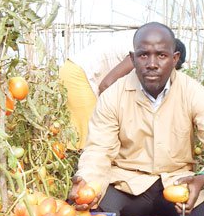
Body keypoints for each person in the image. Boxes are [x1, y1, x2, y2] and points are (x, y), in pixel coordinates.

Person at [68, 22, 204, 216]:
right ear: (133, 58)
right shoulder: (114, 96)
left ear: (175, 58)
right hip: (128, 185)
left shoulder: (194, 93)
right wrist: (88, 182)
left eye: (161, 55)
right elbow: (98, 150)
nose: (152, 64)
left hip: (176, 185)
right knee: (88, 209)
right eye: (143, 55)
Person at [59, 33, 187, 150]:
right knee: (91, 136)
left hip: (84, 75)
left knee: (89, 135)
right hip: (78, 73)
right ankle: (82, 173)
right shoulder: (142, 54)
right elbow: (106, 85)